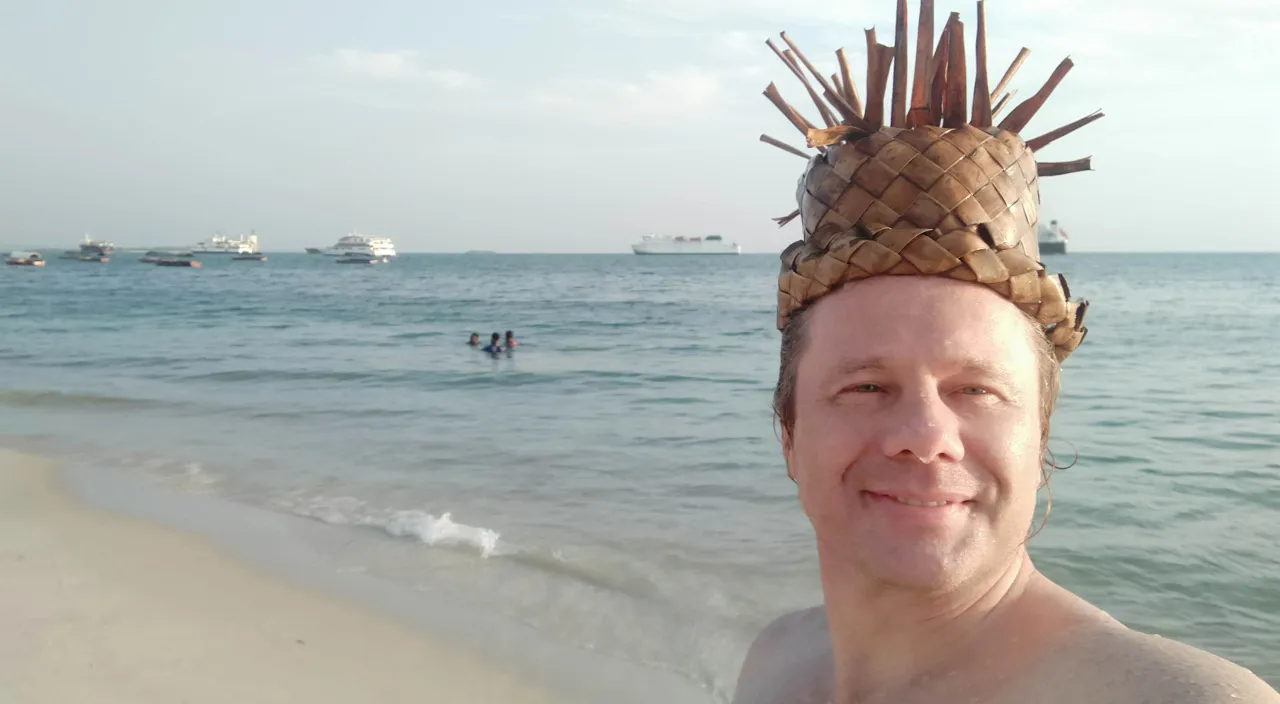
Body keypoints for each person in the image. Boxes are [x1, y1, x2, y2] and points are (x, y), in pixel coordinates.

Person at [732, 3, 1280, 703]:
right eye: (866, 387)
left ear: (1041, 433)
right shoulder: (776, 661)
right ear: (788, 434)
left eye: (976, 391)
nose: (924, 439)